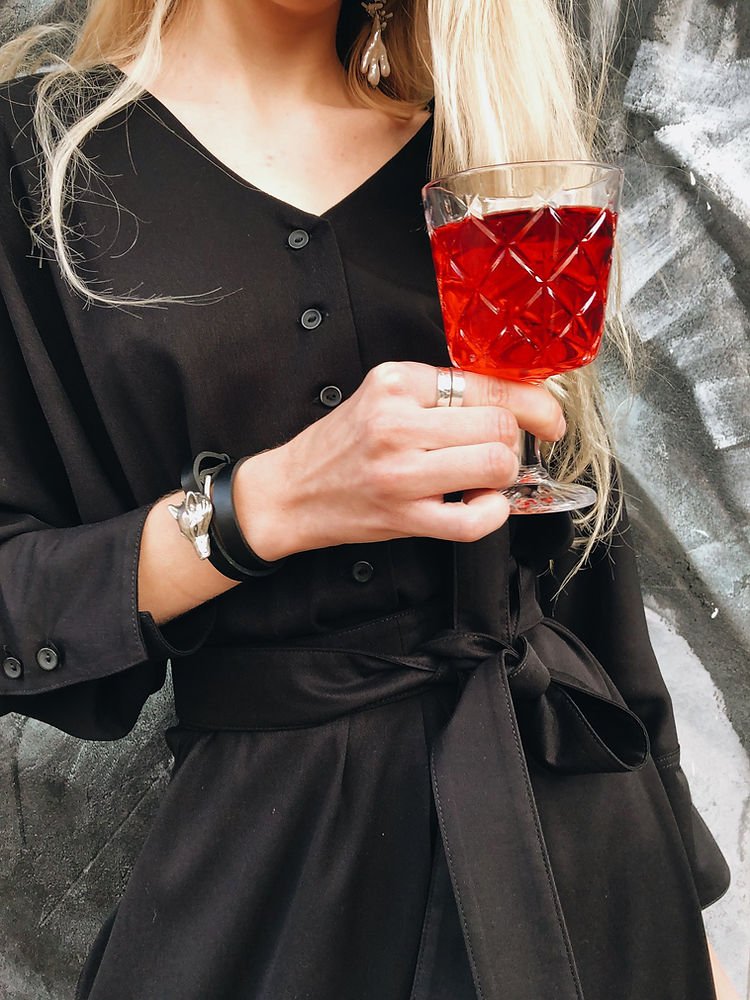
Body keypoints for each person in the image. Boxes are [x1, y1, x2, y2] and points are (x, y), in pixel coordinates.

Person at [0, 0, 739, 997]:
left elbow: (575, 554)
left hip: (589, 849)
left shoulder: (477, 147)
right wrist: (256, 507)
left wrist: (691, 924)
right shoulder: (36, 162)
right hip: (277, 862)